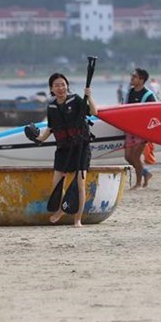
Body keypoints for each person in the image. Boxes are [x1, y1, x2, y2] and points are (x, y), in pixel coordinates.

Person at [32, 73, 98, 227]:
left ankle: (77, 219)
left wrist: (90, 96)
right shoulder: (52, 107)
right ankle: (62, 209)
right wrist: (40, 138)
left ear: (67, 86)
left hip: (80, 147)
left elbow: (94, 112)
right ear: (51, 89)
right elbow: (50, 128)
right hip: (63, 149)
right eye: (56, 85)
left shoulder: (75, 100)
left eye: (63, 84)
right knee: (56, 184)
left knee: (79, 184)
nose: (60, 88)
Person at [124, 68, 157, 189]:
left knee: (135, 156)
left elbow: (155, 113)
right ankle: (146, 173)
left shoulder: (148, 95)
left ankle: (138, 183)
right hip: (129, 129)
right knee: (128, 157)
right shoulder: (129, 93)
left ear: (141, 80)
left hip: (142, 131)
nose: (131, 78)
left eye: (134, 77)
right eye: (132, 76)